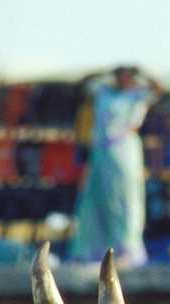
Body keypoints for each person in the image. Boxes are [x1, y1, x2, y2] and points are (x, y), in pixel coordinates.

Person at [69, 65, 160, 267]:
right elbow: (84, 83)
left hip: (124, 152)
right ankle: (95, 249)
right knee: (95, 200)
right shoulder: (104, 91)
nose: (123, 79)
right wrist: (107, 71)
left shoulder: (138, 94)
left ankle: (126, 248)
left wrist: (142, 73)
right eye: (120, 75)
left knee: (125, 200)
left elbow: (157, 89)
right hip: (101, 153)